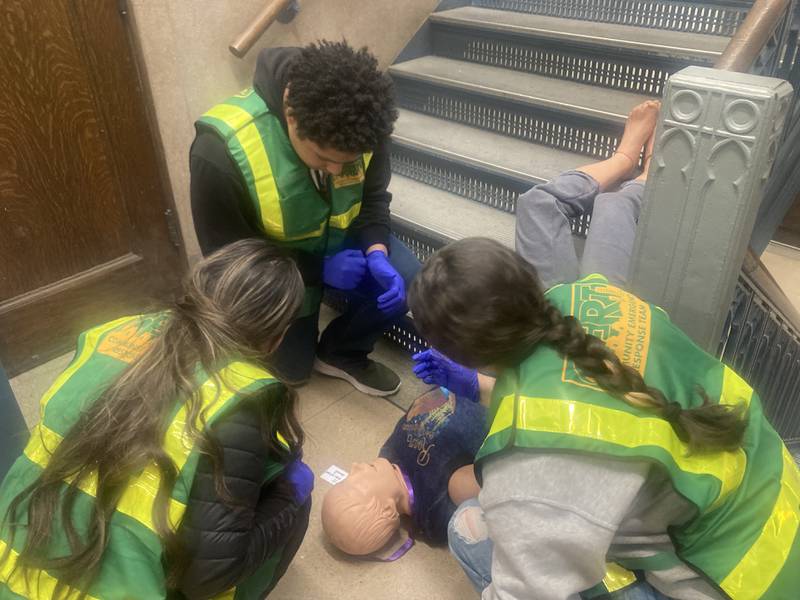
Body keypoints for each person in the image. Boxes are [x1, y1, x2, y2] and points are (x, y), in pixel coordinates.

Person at [407, 101, 800, 599]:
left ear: (464, 353)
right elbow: (594, 398)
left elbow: (526, 591)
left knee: (469, 526)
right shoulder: (588, 301)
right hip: (776, 494)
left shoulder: (530, 465)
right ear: (529, 278)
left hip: (738, 583)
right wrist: (489, 387)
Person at [0, 240, 315, 599]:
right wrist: (289, 497)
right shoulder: (237, 398)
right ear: (275, 339)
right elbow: (210, 577)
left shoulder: (113, 332)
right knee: (291, 490)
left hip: (11, 568)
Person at [190, 40, 420, 397]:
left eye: (348, 161)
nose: (336, 171)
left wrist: (376, 250)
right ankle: (301, 340)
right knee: (288, 373)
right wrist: (317, 270)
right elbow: (227, 259)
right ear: (291, 115)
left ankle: (342, 351)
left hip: (341, 242)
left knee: (409, 278)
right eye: (324, 157)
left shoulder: (365, 123)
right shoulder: (219, 149)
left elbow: (374, 198)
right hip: (274, 270)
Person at [320, 376, 492, 558]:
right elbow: (497, 481)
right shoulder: (434, 505)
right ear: (387, 509)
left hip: (464, 374)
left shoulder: (389, 455)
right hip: (506, 397)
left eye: (346, 476)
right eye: (354, 485)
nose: (355, 467)